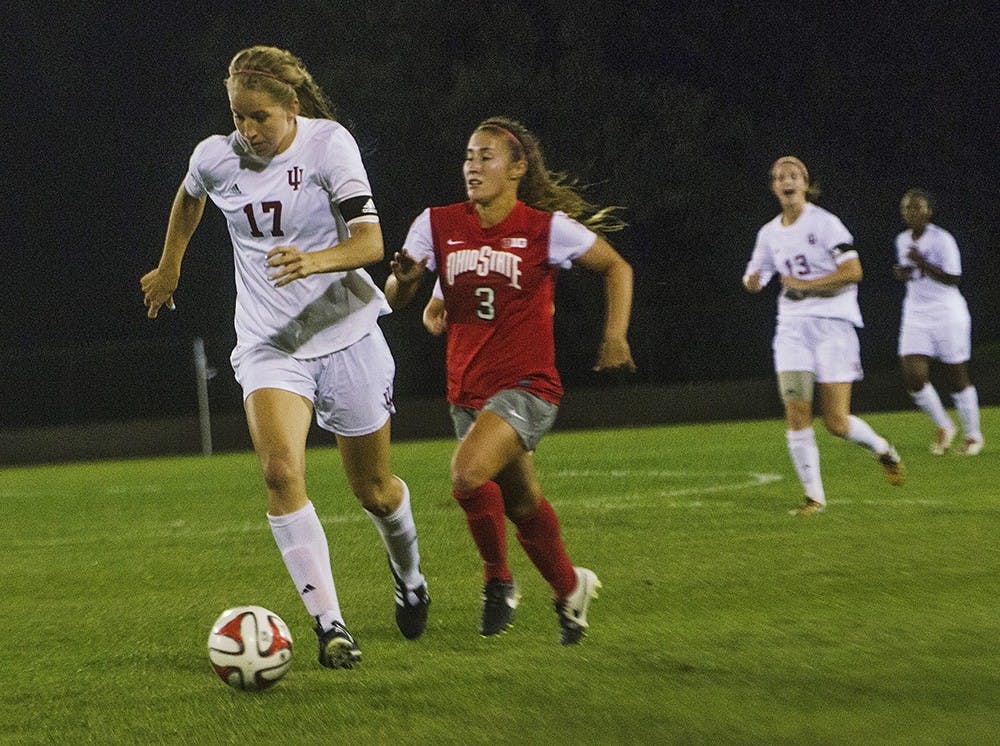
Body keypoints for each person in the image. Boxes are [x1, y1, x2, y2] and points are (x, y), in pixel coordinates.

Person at [140, 45, 429, 669]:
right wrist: (170, 266)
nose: (247, 131)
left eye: (260, 118)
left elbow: (371, 241)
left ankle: (409, 574)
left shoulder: (329, 146)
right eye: (238, 117)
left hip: (346, 332)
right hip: (271, 345)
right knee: (279, 472)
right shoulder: (216, 156)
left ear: (291, 108)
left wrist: (313, 260)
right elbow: (190, 198)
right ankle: (331, 628)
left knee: (375, 491)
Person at [384, 116, 635, 644]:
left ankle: (497, 581)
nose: (473, 167)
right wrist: (410, 286)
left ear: (518, 168)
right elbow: (402, 296)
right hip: (467, 390)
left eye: (486, 157)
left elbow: (617, 267)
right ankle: (571, 588)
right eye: (469, 157)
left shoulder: (545, 229)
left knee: (467, 476)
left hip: (528, 386)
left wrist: (615, 335)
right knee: (520, 501)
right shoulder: (435, 224)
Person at [742, 155, 905, 516]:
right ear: (774, 187)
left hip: (833, 327)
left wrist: (807, 285)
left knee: (837, 422)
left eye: (794, 175)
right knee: (797, 411)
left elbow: (853, 270)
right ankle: (815, 498)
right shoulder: (768, 233)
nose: (787, 180)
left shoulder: (826, 223)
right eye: (780, 176)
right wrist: (752, 282)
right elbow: (757, 272)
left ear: (805, 184)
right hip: (792, 328)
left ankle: (882, 448)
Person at [893, 189, 983, 455]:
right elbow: (912, 273)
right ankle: (945, 425)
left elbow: (954, 278)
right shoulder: (901, 240)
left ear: (929, 212)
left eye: (918, 208)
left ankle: (973, 435)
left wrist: (922, 262)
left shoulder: (943, 240)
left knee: (957, 377)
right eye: (908, 209)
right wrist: (904, 272)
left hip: (947, 311)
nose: (913, 213)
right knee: (913, 376)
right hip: (916, 313)